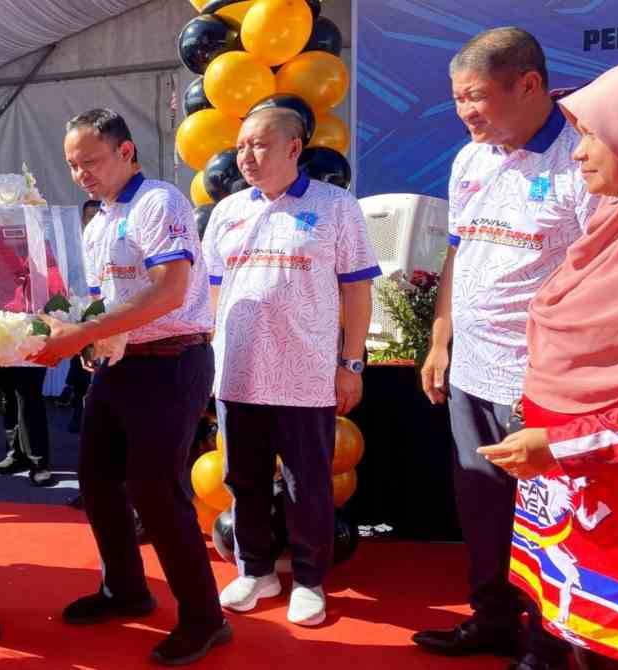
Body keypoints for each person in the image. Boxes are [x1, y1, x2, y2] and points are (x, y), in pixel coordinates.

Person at [415, 28, 595, 670]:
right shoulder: (471, 158)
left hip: (542, 380)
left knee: (544, 520)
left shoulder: (582, 158)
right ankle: (492, 620)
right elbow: (459, 251)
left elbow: (601, 275)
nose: (465, 112)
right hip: (472, 370)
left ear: (528, 85)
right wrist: (441, 339)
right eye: (457, 99)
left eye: (475, 96)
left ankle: (548, 648)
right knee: (482, 506)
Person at [30, 108, 230, 666]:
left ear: (126, 151)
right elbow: (105, 305)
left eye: (90, 161)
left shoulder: (158, 203)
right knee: (96, 483)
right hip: (117, 366)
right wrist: (83, 336)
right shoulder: (97, 223)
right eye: (72, 166)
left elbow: (168, 293)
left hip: (171, 362)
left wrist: (86, 333)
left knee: (156, 491)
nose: (81, 174)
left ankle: (204, 618)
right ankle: (125, 588)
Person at [478, 61, 618, 670]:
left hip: (606, 491)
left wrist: (561, 447)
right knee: (580, 640)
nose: (577, 154)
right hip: (574, 487)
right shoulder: (608, 229)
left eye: (593, 134)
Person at [202, 106, 379, 626]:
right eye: (240, 147)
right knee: (245, 479)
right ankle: (256, 570)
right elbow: (211, 291)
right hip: (238, 371)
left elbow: (357, 288)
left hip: (307, 373)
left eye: (258, 145)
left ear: (293, 148)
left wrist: (351, 362)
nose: (247, 157)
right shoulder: (228, 211)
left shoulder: (336, 207)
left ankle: (308, 578)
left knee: (308, 484)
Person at [57, 199, 101, 433]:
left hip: (104, 314)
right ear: (82, 219)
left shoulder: (110, 240)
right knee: (81, 364)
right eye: (89, 216)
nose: (92, 220)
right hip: (80, 312)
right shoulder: (75, 247)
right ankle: (78, 409)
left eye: (97, 214)